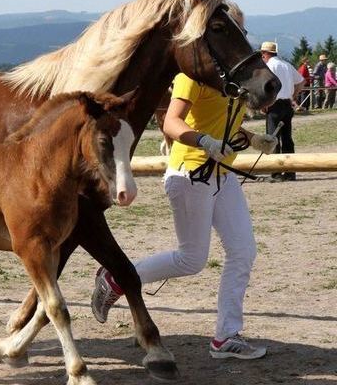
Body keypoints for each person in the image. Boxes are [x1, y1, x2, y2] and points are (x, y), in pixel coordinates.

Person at [90, 72, 278, 360]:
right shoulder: (192, 77)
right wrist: (204, 141)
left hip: (222, 175)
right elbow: (171, 122)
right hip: (190, 174)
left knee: (243, 251)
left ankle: (226, 337)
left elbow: (226, 125)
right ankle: (117, 278)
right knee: (192, 260)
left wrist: (253, 139)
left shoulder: (234, 79)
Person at [260, 41, 304, 182]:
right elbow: (301, 81)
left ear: (265, 53)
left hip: (275, 105)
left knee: (273, 138)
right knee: (287, 139)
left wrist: (265, 103)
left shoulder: (268, 66)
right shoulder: (286, 64)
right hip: (287, 104)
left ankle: (276, 172)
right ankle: (290, 172)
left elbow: (266, 86)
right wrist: (294, 95)